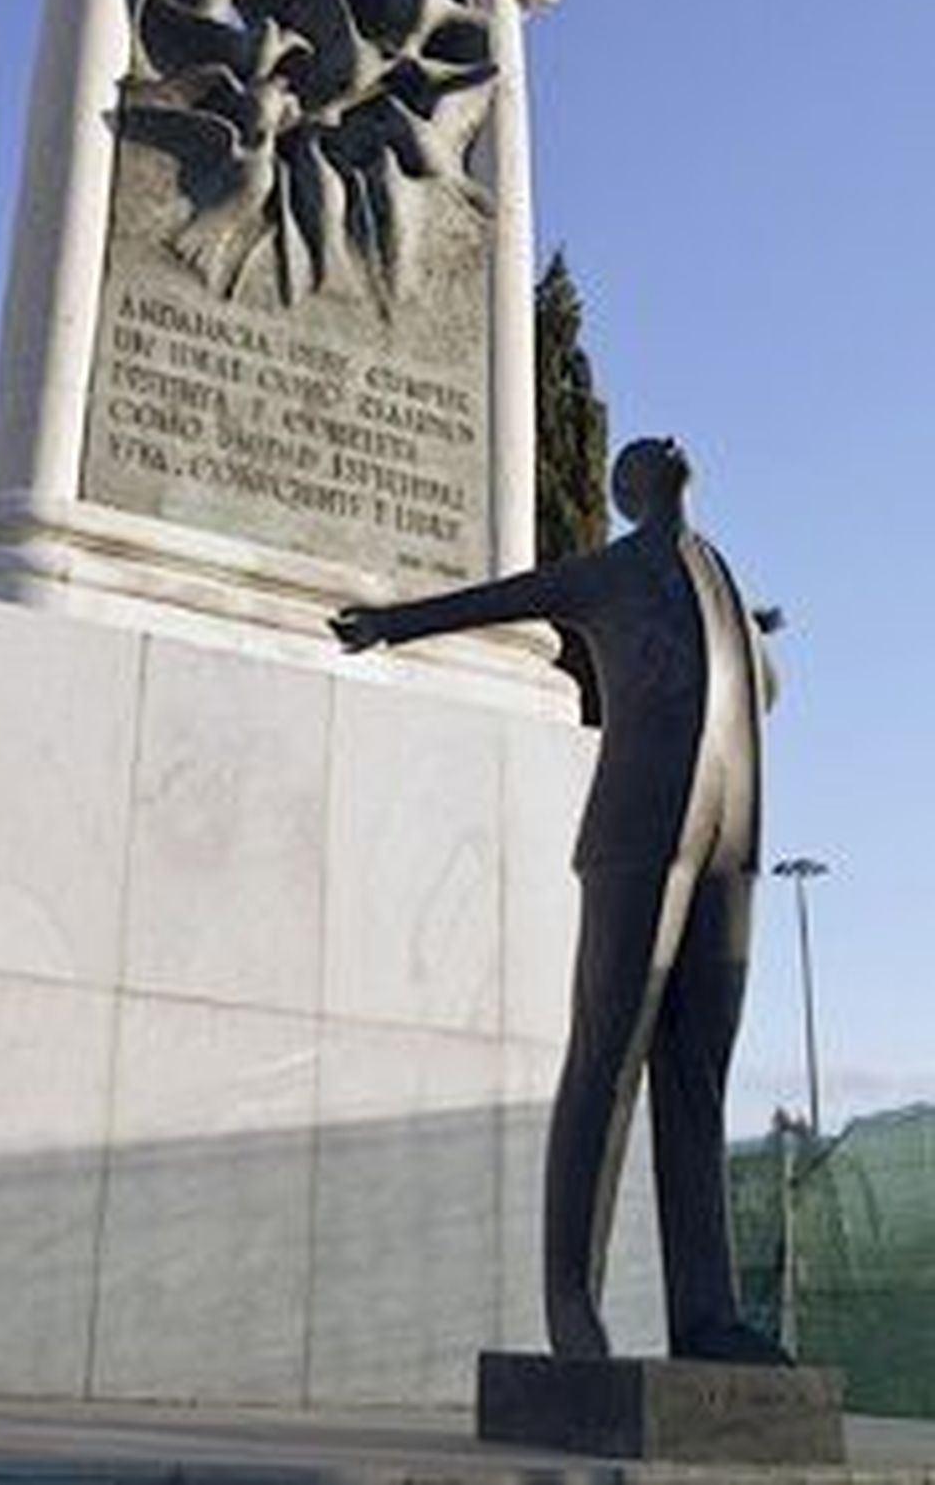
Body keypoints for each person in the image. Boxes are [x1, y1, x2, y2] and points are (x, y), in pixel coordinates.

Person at [332, 437, 788, 1363]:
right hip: (637, 837)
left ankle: (708, 1318)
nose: (664, 444)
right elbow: (500, 600)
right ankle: (573, 1305)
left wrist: (751, 639)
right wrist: (390, 623)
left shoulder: (725, 575)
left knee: (698, 1077)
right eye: (642, 451)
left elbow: (761, 693)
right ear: (628, 488)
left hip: (730, 843)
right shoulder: (608, 572)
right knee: (607, 1060)